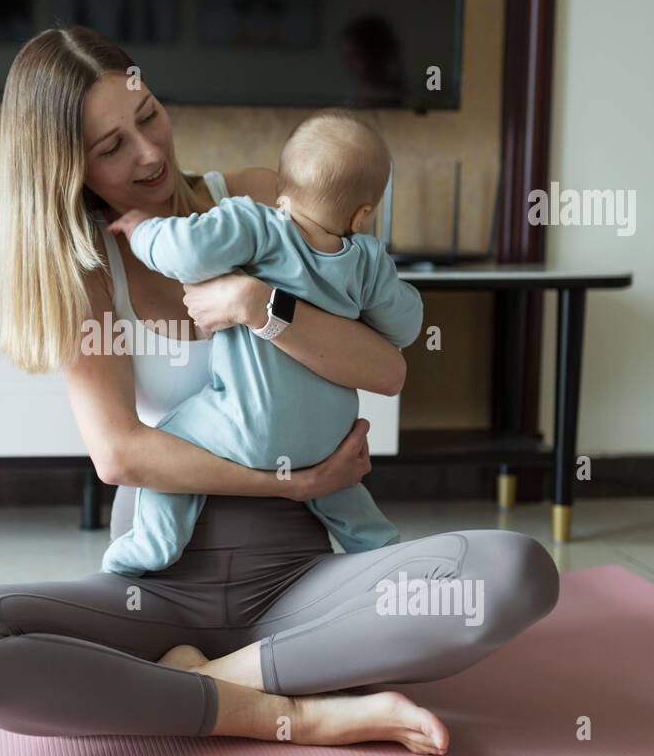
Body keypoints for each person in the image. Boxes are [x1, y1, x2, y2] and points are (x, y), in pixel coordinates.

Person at [0, 25, 559, 753]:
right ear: (64, 168)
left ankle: (211, 679)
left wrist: (259, 306)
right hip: (160, 582)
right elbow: (120, 455)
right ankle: (291, 710)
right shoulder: (86, 273)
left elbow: (386, 369)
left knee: (515, 572)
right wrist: (292, 483)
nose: (148, 153)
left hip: (303, 579)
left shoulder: (261, 200)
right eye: (111, 146)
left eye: (147, 115)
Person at [100, 111, 421, 576]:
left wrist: (141, 231)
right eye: (111, 145)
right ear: (363, 213)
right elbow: (406, 325)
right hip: (330, 441)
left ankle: (154, 543)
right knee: (350, 505)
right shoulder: (369, 261)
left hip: (248, 431)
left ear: (281, 189)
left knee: (169, 436)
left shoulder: (257, 224)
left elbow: (183, 251)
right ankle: (385, 558)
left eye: (149, 116)